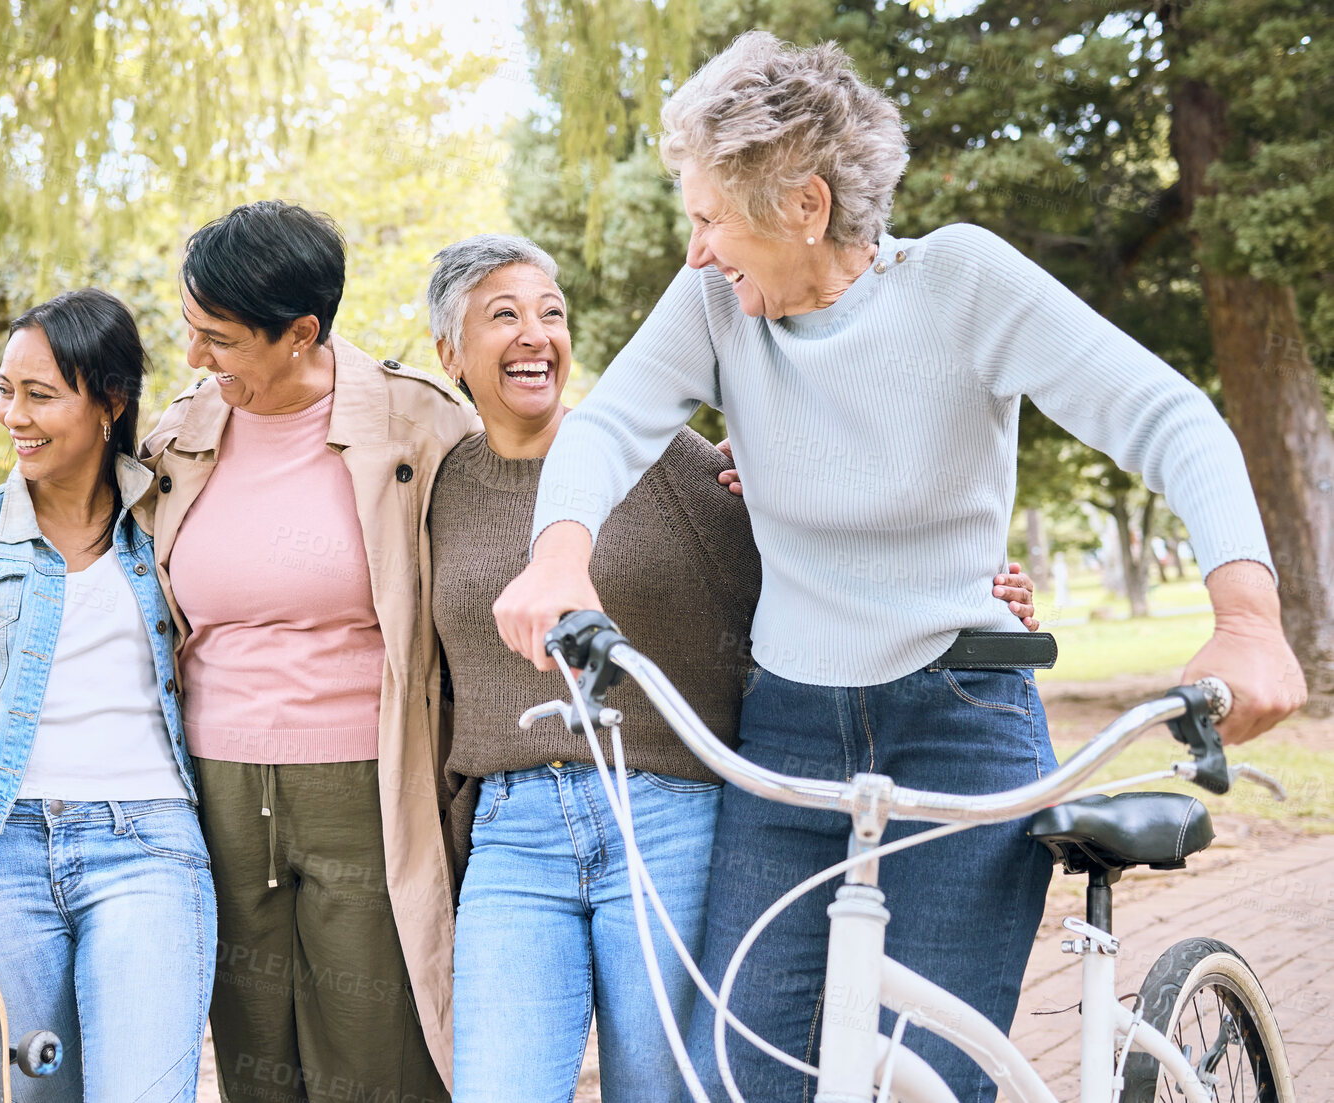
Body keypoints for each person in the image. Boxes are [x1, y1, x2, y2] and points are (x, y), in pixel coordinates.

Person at [491, 30, 1305, 1103]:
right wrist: (560, 557)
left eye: (708, 218)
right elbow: (605, 432)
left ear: (805, 206)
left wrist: (1246, 613)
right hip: (790, 719)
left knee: (924, 1080)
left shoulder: (962, 281)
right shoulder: (715, 308)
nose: (695, 252)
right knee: (731, 1076)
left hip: (959, 718)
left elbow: (1169, 418)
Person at [427, 235, 1035, 1102]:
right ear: (450, 352)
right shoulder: (440, 487)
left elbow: (820, 557)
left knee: (666, 1088)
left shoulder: (667, 459)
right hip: (511, 833)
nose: (535, 335)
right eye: (503, 316)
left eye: (550, 314)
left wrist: (978, 588)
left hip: (664, 813)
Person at [140, 200, 476, 1102]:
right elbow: (96, 544)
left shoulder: (422, 425)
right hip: (217, 780)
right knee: (254, 1054)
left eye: (219, 339)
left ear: (301, 332)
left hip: (369, 779)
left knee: (377, 1056)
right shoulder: (179, 436)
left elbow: (510, 522)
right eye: (190, 330)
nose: (195, 359)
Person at [0, 289, 213, 1102]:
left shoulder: (174, 519)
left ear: (111, 400)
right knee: (26, 1094)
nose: (12, 415)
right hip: (1, 851)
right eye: (4, 389)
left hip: (150, 848)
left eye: (40, 394)